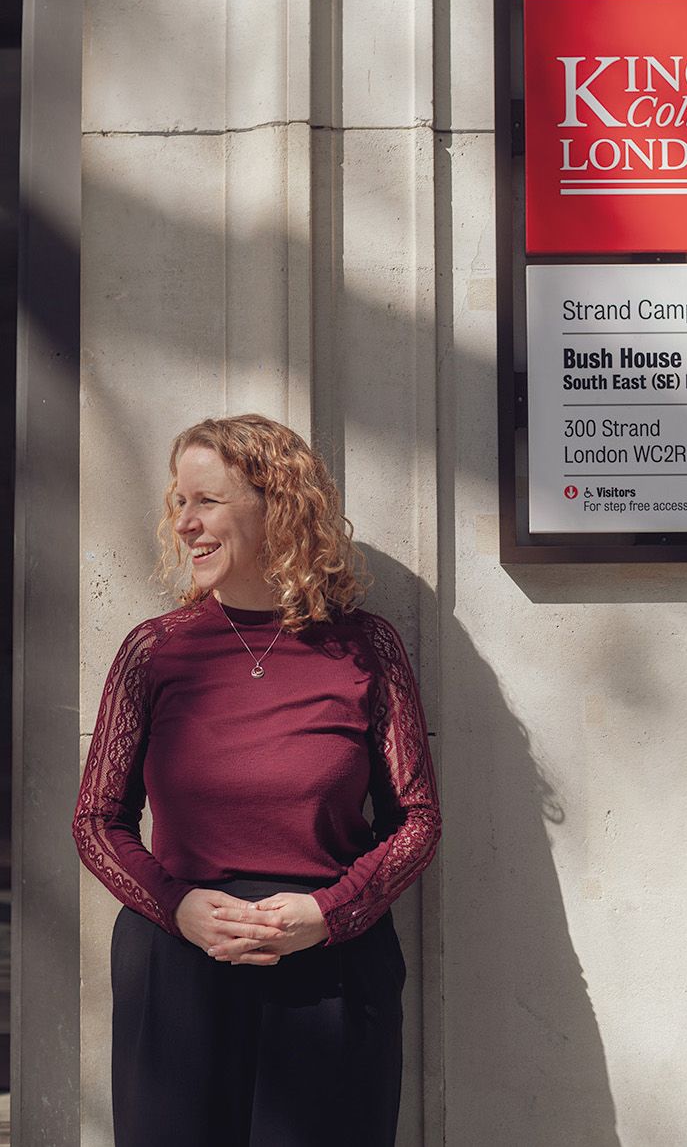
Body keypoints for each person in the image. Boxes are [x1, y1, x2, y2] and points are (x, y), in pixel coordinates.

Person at [72, 413, 441, 1147]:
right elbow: (95, 820)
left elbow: (418, 819)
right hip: (179, 968)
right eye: (179, 502)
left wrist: (330, 914)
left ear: (278, 505)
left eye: (205, 501)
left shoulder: (365, 648)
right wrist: (177, 908)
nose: (184, 523)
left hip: (330, 973)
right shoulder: (155, 652)